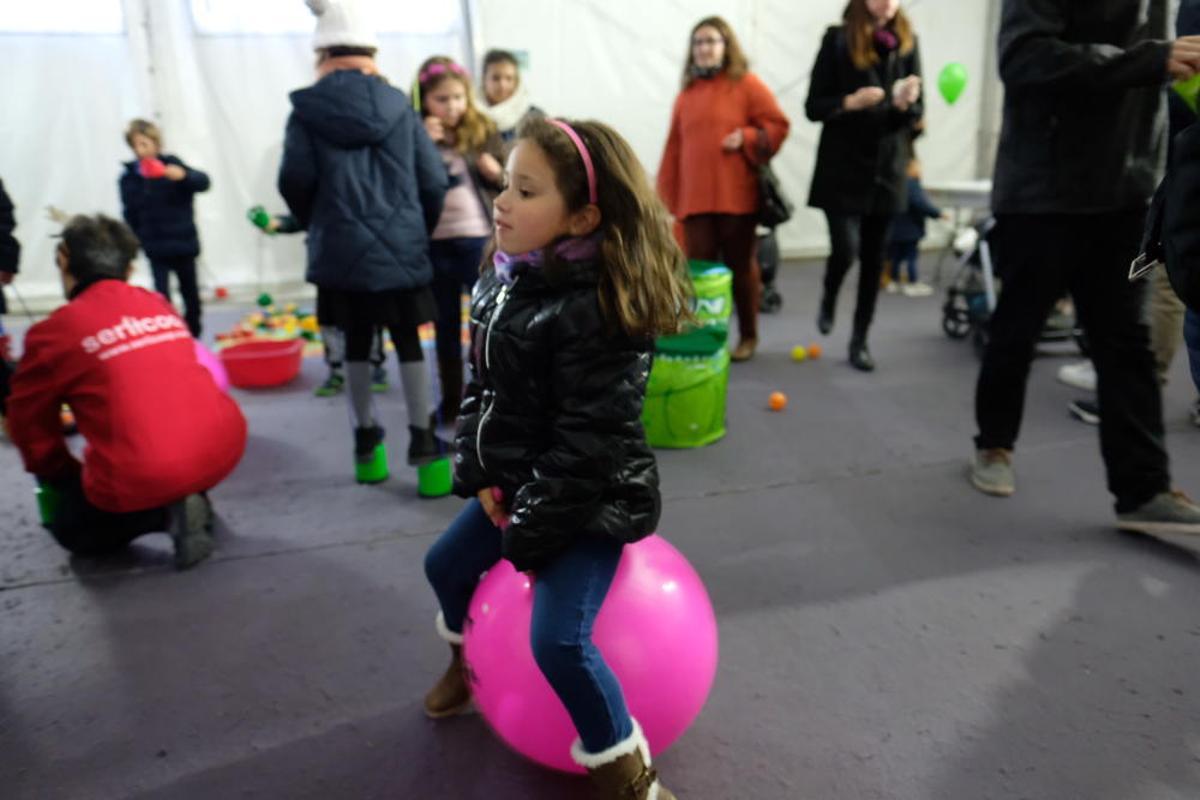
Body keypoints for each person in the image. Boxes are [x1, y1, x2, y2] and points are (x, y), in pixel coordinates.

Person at [423, 117, 692, 799]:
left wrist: (526, 532)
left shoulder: (602, 310)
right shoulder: (501, 280)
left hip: (590, 499)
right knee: (444, 566)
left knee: (557, 643)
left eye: (526, 190)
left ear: (581, 217)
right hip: (519, 490)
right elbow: (484, 394)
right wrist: (485, 480)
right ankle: (468, 662)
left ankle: (629, 778)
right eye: (505, 184)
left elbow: (588, 446)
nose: (501, 202)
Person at [968, 0, 1200, 536]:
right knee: (1016, 330)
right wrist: (1152, 60)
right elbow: (1023, 58)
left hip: (1122, 191)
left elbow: (1160, 77)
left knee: (1125, 343)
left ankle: (1143, 490)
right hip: (1042, 192)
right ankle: (994, 444)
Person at [5, 215, 245, 569]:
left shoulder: (52, 333)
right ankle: (189, 494)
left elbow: (28, 423)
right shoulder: (157, 303)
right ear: (130, 269)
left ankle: (163, 514)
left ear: (64, 260)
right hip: (224, 448)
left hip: (146, 469)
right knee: (162, 442)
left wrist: (61, 475)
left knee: (74, 531)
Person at [279, 1, 450, 483]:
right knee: (408, 341)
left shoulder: (307, 111)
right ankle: (426, 452)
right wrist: (417, 227)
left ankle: (367, 450)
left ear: (324, 54)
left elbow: (294, 179)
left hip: (338, 251)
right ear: (371, 54)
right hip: (402, 247)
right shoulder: (401, 107)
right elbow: (433, 181)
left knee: (355, 343)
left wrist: (321, 224)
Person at [657, 15, 790, 362]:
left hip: (737, 198)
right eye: (698, 42)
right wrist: (664, 198)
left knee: (741, 269)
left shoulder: (746, 84)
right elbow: (674, 148)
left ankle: (748, 335)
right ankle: (705, 334)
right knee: (698, 272)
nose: (704, 48)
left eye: (711, 41)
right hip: (695, 200)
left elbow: (778, 125)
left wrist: (746, 137)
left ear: (726, 45)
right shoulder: (685, 95)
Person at [806, 0, 923, 371]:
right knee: (846, 249)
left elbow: (919, 116)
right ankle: (829, 294)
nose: (887, 3)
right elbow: (813, 106)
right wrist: (849, 102)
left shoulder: (907, 41)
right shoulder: (837, 39)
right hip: (842, 168)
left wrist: (905, 106)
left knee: (875, 262)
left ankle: (860, 340)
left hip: (886, 170)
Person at [415, 56, 506, 426]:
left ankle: (488, 394)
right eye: (441, 99)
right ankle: (452, 398)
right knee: (444, 326)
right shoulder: (416, 133)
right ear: (424, 101)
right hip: (436, 244)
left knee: (485, 323)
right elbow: (407, 183)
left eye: (457, 97)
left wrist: (496, 172)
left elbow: (511, 183)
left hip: (476, 240)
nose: (451, 106)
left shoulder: (482, 130)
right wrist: (422, 143)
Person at [118, 119, 211, 338]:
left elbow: (204, 182)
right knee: (162, 297)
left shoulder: (173, 166)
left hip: (183, 243)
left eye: (145, 144)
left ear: (156, 144)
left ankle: (193, 334)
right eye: (135, 146)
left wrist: (184, 176)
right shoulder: (130, 177)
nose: (140, 151)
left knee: (191, 295)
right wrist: (134, 243)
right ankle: (171, 336)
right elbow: (129, 214)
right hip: (155, 247)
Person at [886, 149, 943, 297]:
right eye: (918, 167)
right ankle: (912, 282)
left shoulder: (895, 183)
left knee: (896, 257)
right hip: (910, 230)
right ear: (910, 169)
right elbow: (921, 204)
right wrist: (938, 214)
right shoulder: (912, 186)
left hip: (895, 230)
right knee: (911, 257)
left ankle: (894, 281)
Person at [479, 49, 544, 144]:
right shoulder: (470, 116)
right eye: (496, 78)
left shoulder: (534, 118)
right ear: (484, 80)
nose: (502, 85)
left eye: (509, 78)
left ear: (517, 81)